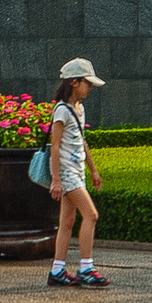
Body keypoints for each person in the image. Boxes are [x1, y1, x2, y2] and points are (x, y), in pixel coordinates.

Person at [47, 58, 109, 287]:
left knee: (67, 221)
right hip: (66, 173)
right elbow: (54, 146)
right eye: (87, 83)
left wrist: (93, 170)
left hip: (77, 171)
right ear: (74, 82)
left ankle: (58, 270)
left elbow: (81, 142)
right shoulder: (61, 110)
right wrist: (56, 180)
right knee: (91, 215)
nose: (90, 88)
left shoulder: (78, 108)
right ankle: (86, 267)